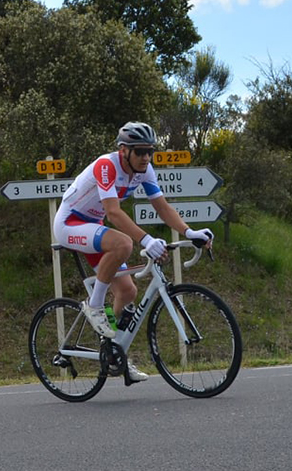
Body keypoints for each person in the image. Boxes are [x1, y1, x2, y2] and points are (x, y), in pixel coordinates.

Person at [53, 122, 214, 382]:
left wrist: (189, 232)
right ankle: (94, 306)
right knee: (124, 243)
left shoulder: (145, 170)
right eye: (140, 151)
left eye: (149, 151)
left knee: (127, 292)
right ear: (123, 150)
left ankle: (113, 353)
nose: (146, 157)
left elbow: (162, 207)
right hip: (69, 223)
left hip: (93, 226)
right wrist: (147, 239)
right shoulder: (106, 166)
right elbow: (114, 212)